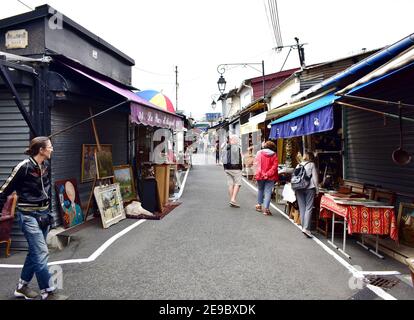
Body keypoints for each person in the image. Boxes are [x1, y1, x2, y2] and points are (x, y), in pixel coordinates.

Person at [0, 136, 67, 300]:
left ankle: (22, 287)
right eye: (50, 146)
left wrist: (49, 214)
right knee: (42, 252)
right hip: (28, 216)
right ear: (41, 150)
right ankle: (48, 292)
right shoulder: (23, 167)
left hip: (44, 216)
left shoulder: (45, 165)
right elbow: (3, 191)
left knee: (34, 253)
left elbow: (46, 191)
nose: (52, 149)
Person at [295, 151, 319, 238]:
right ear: (311, 157)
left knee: (302, 208)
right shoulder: (312, 165)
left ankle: (303, 227)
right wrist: (317, 190)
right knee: (309, 208)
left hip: (299, 188)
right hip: (309, 188)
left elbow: (295, 176)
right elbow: (315, 179)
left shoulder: (299, 164)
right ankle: (306, 228)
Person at [254, 141, 279, 216]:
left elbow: (257, 164)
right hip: (270, 176)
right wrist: (267, 174)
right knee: (268, 191)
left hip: (260, 175)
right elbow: (274, 167)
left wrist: (262, 173)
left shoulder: (259, 153)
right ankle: (266, 209)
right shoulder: (274, 155)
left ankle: (259, 205)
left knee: (260, 189)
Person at [223, 134, 243, 208]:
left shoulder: (226, 147)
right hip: (235, 168)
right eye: (237, 139)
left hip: (227, 167)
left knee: (230, 184)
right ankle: (233, 199)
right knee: (238, 183)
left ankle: (232, 200)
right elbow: (238, 159)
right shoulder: (235, 147)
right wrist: (241, 167)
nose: (238, 140)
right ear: (233, 140)